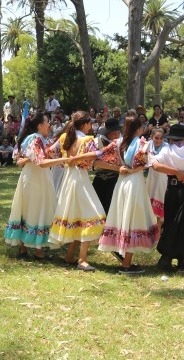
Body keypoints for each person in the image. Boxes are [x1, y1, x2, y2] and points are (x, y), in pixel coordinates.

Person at [97, 116, 161, 274]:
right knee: (133, 220)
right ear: (139, 129)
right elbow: (146, 164)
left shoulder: (118, 143)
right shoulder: (142, 144)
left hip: (122, 183)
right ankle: (126, 263)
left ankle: (123, 255)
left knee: (124, 217)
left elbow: (97, 159)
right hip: (135, 184)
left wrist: (118, 168)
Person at [4, 112, 68, 259]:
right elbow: (40, 161)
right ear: (40, 125)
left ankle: (25, 247)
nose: (49, 125)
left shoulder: (33, 138)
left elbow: (25, 158)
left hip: (33, 176)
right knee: (36, 208)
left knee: (28, 208)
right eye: (47, 122)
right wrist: (63, 160)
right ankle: (37, 248)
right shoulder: (36, 138)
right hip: (36, 178)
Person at [49, 111, 107, 272]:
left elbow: (50, 152)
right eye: (90, 124)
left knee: (77, 216)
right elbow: (91, 162)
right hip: (80, 179)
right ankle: (82, 259)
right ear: (84, 124)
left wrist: (68, 160)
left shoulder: (64, 138)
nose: (91, 126)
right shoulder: (87, 140)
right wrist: (100, 153)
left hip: (68, 178)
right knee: (91, 214)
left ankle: (70, 255)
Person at [149, 124, 184, 270]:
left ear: (172, 138)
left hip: (172, 190)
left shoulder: (166, 151)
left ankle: (167, 258)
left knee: (171, 222)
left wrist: (173, 171)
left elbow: (154, 164)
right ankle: (182, 259)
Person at [91, 117, 122, 213]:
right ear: (107, 132)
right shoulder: (98, 142)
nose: (116, 135)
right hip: (100, 179)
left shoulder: (121, 142)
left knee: (113, 209)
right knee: (98, 209)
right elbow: (94, 162)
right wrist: (116, 167)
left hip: (116, 180)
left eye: (117, 132)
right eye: (113, 132)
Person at [145, 128, 168, 223]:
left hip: (162, 176)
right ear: (151, 137)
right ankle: (150, 225)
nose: (159, 140)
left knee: (160, 198)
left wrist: (150, 157)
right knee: (149, 198)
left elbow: (159, 158)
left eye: (161, 138)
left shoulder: (166, 147)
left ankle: (159, 226)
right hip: (151, 176)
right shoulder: (147, 145)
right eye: (156, 138)